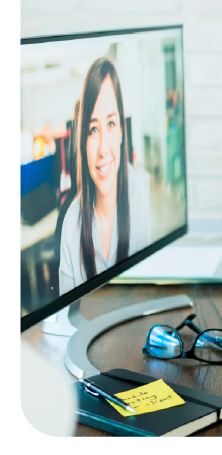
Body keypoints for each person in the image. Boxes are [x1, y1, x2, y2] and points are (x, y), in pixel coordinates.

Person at [59, 58, 150, 294]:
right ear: (82, 142)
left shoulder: (138, 191)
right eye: (93, 130)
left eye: (110, 124)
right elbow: (65, 317)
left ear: (121, 130)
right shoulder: (71, 225)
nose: (102, 149)